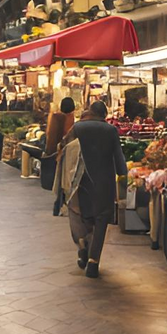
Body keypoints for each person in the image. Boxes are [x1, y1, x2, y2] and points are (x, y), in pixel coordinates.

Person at [64, 100, 126, 278]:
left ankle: (83, 243)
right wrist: (123, 176)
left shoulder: (78, 128)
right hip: (104, 181)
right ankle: (93, 262)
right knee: (101, 220)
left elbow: (66, 149)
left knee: (83, 215)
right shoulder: (110, 130)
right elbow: (118, 156)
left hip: (81, 180)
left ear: (91, 112)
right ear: (104, 115)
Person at [43, 96, 76, 213]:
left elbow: (49, 134)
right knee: (65, 181)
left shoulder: (55, 117)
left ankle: (57, 205)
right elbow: (68, 137)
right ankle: (62, 204)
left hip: (53, 152)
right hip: (64, 154)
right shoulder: (68, 119)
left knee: (58, 181)